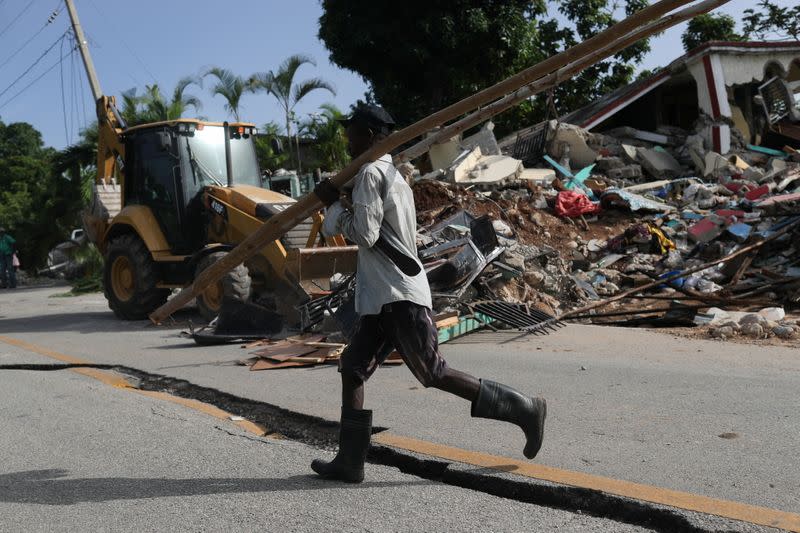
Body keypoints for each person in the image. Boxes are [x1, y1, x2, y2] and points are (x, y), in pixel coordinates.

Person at [310, 104, 546, 483]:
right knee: (353, 366)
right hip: (383, 296)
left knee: (433, 372)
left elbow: (365, 234)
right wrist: (340, 201)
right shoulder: (391, 175)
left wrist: (334, 207)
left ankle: (524, 408)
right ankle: (350, 460)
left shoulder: (372, 173)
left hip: (398, 295)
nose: (347, 139)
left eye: (351, 131)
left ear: (369, 135)